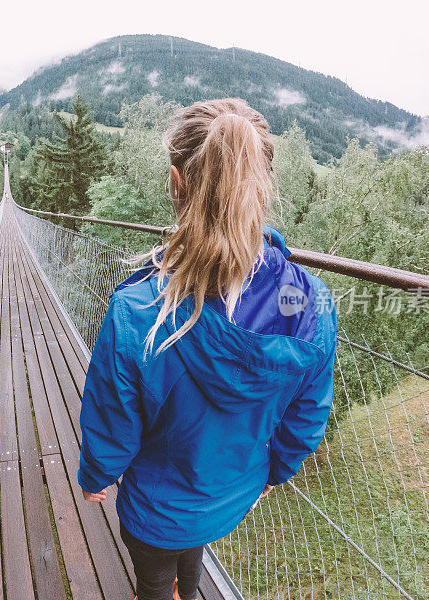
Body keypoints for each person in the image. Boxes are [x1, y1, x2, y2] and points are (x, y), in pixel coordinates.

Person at [76, 98, 337, 600]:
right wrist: (275, 471)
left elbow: (113, 416)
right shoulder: (309, 303)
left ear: (177, 182)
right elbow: (307, 417)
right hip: (230, 497)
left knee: (153, 579)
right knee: (190, 561)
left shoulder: (138, 312)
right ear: (258, 186)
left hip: (155, 511)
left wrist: (97, 474)